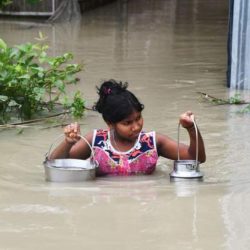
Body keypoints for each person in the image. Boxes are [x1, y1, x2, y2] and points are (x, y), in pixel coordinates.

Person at [49, 79, 206, 176]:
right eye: (127, 123)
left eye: (138, 118)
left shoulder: (153, 142)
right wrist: (68, 142)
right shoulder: (96, 140)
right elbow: (55, 165)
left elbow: (197, 158)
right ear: (110, 123)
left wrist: (191, 128)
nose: (136, 126)